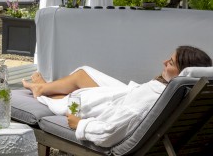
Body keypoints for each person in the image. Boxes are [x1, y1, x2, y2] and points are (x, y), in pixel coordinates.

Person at [22, 46, 212, 148]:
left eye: (170, 62)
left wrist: (80, 124)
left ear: (181, 73)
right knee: (84, 73)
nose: (163, 62)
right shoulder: (189, 91)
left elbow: (109, 133)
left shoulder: (152, 98)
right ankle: (44, 86)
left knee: (76, 97)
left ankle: (41, 91)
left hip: (117, 106)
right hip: (130, 95)